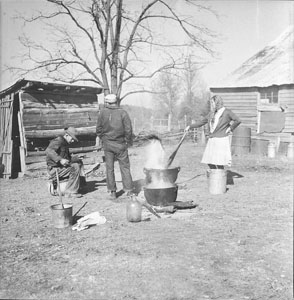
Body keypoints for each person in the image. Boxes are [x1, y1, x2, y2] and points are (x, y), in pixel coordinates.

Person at [185, 95, 241, 169]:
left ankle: (220, 178)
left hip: (221, 140)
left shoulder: (227, 112)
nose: (211, 104)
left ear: (217, 102)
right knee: (210, 161)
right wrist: (190, 126)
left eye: (212, 102)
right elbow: (201, 122)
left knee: (219, 162)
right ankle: (214, 177)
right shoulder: (212, 113)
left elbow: (238, 120)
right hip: (212, 139)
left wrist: (230, 128)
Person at [96, 94, 134, 200]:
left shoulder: (102, 113)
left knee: (109, 168)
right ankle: (129, 190)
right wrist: (128, 142)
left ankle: (112, 192)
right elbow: (128, 130)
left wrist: (104, 139)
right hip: (121, 144)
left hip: (108, 144)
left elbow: (98, 129)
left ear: (107, 102)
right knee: (125, 167)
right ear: (116, 102)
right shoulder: (123, 113)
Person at [46, 127, 85, 198]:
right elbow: (49, 151)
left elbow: (67, 160)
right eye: (72, 138)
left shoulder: (65, 144)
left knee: (78, 162)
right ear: (66, 135)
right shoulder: (58, 141)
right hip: (54, 170)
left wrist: (76, 158)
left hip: (60, 168)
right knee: (75, 166)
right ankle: (70, 192)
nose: (73, 141)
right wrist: (60, 159)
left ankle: (81, 186)